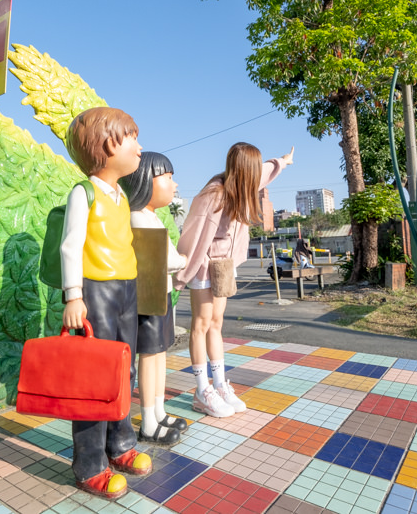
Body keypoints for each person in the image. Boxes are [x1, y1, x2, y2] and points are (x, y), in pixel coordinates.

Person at [60, 107, 151, 499]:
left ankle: (121, 443)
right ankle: (90, 463)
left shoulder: (120, 195)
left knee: (123, 370)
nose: (139, 147)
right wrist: (73, 295)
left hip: (126, 289)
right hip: (94, 292)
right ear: (107, 145)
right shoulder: (85, 193)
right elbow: (70, 245)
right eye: (132, 139)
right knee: (92, 379)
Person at [174, 143, 294, 417]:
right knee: (201, 323)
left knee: (216, 323)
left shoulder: (244, 185)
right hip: (204, 265)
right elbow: (193, 235)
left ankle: (219, 384)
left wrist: (284, 161)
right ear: (244, 170)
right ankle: (201, 390)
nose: (257, 178)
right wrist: (182, 273)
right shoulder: (212, 195)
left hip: (225, 264)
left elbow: (266, 171)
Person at [119, 152, 189, 445]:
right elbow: (169, 259)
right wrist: (184, 259)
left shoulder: (148, 216)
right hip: (147, 300)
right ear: (146, 181)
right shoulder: (140, 218)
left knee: (159, 355)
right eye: (168, 178)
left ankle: (158, 412)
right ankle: (149, 421)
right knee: (150, 356)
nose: (173, 185)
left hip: (158, 296)